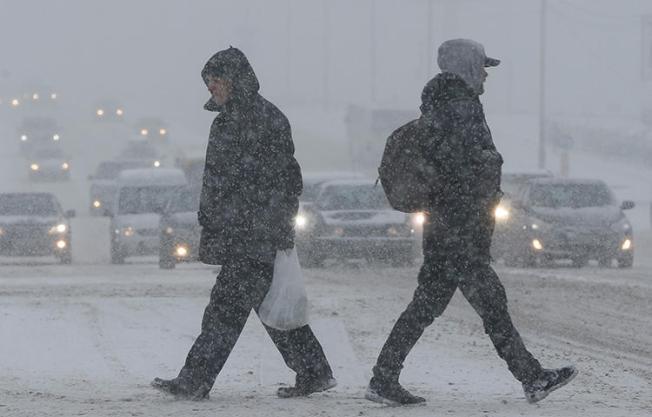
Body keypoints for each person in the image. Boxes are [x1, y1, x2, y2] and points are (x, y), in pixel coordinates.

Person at [366, 39, 577, 406]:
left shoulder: (447, 104)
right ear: (465, 67)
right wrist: (480, 186)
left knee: (430, 307)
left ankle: (383, 378)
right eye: (481, 68)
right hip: (459, 231)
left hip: (451, 227)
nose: (484, 76)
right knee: (486, 305)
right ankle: (531, 378)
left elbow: (455, 168)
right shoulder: (458, 107)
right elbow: (461, 170)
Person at [152, 47, 336, 400]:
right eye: (209, 85)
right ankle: (315, 371)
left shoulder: (261, 120)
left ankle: (194, 381)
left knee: (224, 311)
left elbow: (286, 179)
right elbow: (223, 181)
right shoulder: (232, 120)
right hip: (244, 233)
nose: (212, 89)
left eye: (216, 82)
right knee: (270, 307)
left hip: (254, 235)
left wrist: (267, 223)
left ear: (235, 81)